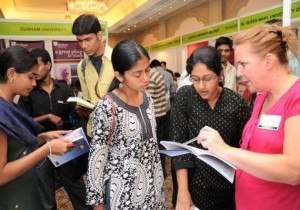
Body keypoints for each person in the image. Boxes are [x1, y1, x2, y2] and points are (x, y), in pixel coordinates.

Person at [197, 24, 300, 210]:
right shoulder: (261, 96)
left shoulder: (296, 97)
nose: (238, 73)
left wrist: (225, 150)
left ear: (269, 61)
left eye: (243, 64)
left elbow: (294, 170)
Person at [86, 40, 166, 209]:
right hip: (123, 196)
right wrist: (97, 203)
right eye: (137, 74)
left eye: (147, 70)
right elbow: (97, 159)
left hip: (154, 190)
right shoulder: (107, 107)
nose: (146, 78)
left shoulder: (148, 99)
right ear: (119, 75)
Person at [171, 46, 250, 210]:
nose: (201, 86)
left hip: (228, 186)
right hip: (194, 186)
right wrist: (183, 191)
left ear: (220, 75)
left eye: (207, 78)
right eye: (195, 79)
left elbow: (244, 146)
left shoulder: (236, 102)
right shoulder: (185, 96)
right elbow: (179, 147)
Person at [0, 45, 75, 209]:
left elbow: (15, 146)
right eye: (30, 77)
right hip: (13, 198)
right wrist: (47, 149)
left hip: (26, 190)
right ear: (11, 73)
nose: (34, 83)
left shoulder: (8, 105)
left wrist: (42, 138)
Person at [18, 48, 90, 210]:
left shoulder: (63, 88)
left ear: (48, 65)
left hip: (65, 146)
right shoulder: (28, 91)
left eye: (37, 65)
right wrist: (47, 117)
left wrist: (79, 111)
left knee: (77, 190)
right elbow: (23, 121)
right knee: (46, 195)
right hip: (40, 147)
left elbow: (73, 115)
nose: (34, 71)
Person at [72, 14, 114, 137]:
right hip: (94, 131)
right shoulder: (82, 66)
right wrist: (82, 108)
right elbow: (87, 99)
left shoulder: (118, 59)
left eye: (88, 39)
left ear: (99, 36)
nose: (83, 46)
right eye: (80, 41)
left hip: (118, 131)